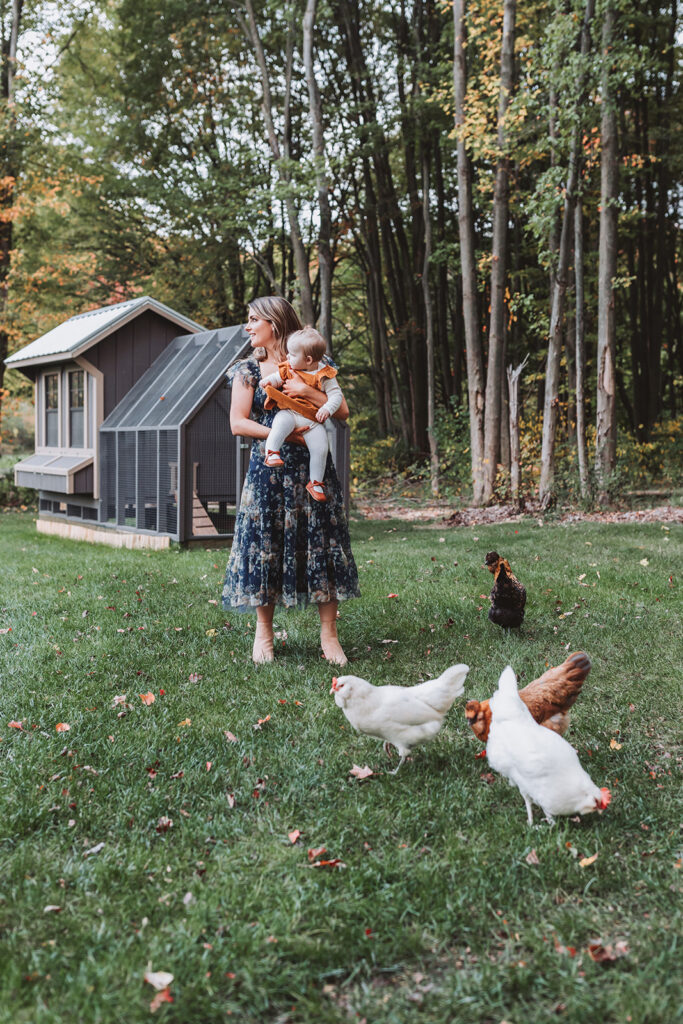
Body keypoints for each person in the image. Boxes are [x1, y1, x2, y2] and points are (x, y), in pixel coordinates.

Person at [222, 296, 360, 665]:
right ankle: (263, 634)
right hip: (269, 469)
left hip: (313, 470)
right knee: (265, 545)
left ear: (275, 323)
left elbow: (342, 410)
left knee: (322, 542)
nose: (248, 327)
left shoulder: (315, 362)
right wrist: (284, 436)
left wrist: (308, 392)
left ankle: (329, 637)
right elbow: (237, 422)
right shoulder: (248, 370)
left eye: (254, 320)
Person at [260, 325, 345, 502]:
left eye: (292, 354)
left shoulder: (324, 374)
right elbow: (277, 377)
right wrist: (268, 381)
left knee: (321, 448)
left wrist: (327, 409)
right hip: (290, 412)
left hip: (312, 421)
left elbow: (336, 396)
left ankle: (315, 483)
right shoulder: (289, 368)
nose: (288, 357)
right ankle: (272, 452)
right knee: (280, 424)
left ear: (308, 359)